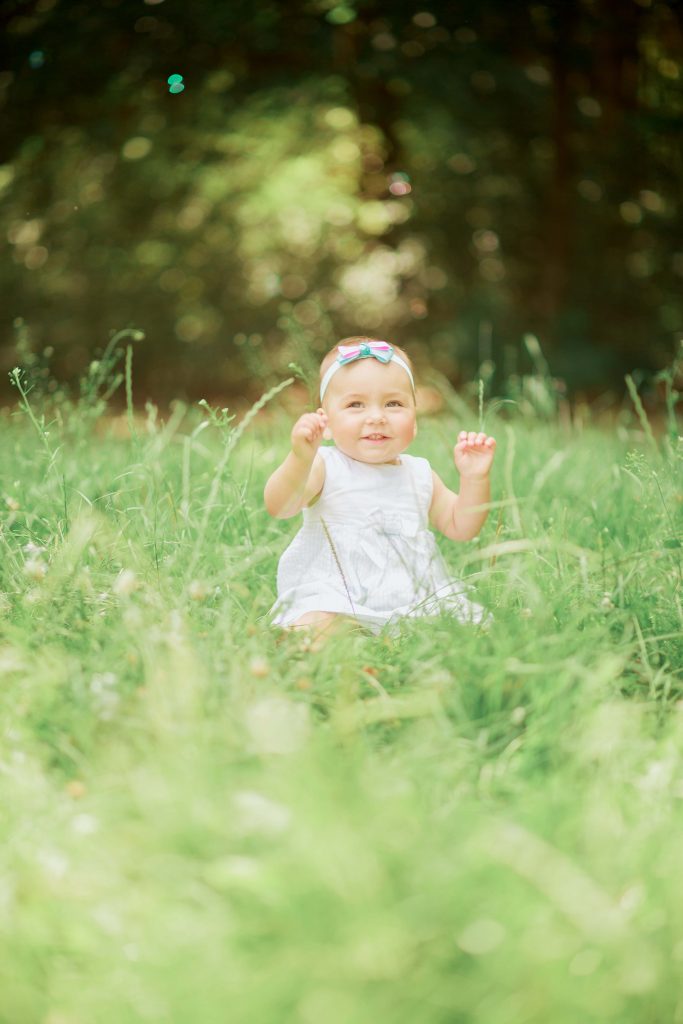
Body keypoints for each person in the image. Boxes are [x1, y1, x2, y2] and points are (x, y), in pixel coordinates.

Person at [263, 337, 496, 648]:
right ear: (327, 423)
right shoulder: (325, 466)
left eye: (394, 404)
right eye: (355, 404)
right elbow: (281, 506)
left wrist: (474, 480)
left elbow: (461, 527)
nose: (376, 416)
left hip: (413, 597)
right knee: (316, 626)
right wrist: (299, 459)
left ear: (415, 419)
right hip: (337, 595)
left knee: (468, 632)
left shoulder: (420, 474)